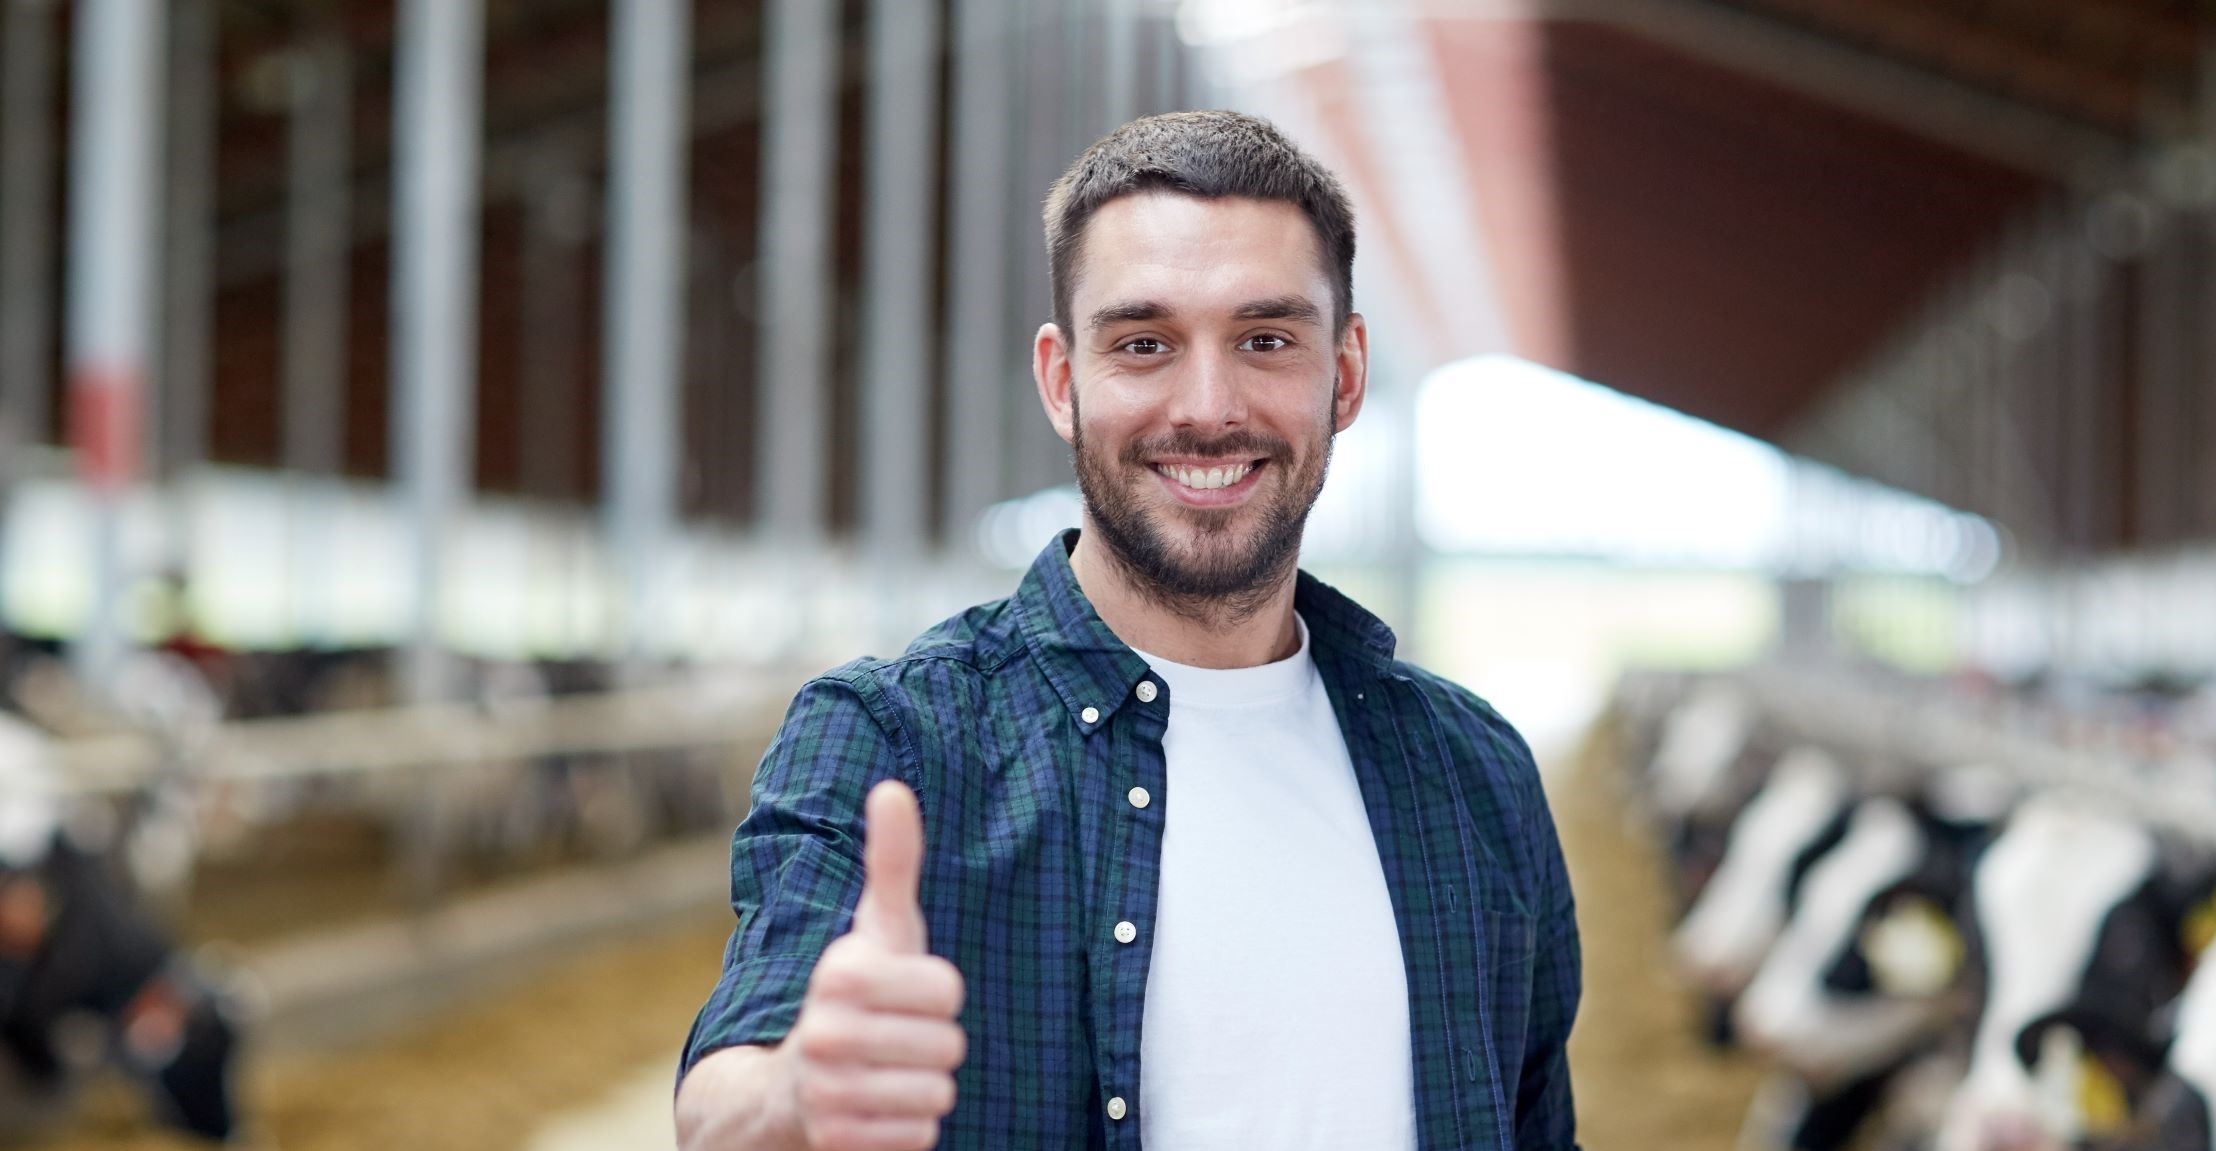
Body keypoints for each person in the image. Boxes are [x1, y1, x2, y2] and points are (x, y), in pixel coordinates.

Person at [674, 110, 1579, 1151]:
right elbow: (725, 1098)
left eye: (1266, 339)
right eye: (1143, 343)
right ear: (1063, 381)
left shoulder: (1475, 776)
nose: (1207, 405)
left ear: (1346, 372)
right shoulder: (893, 742)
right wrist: (793, 1093)